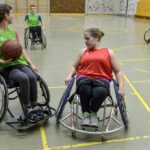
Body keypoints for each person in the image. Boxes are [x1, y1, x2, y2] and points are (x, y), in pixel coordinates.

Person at [65, 27, 125, 128]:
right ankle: (85, 114)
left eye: (87, 38)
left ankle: (92, 113)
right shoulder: (82, 52)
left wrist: (121, 88)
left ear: (96, 38)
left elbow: (118, 71)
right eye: (84, 39)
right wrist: (69, 75)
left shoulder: (108, 52)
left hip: (102, 80)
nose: (85, 41)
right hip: (84, 78)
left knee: (100, 92)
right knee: (85, 90)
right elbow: (75, 66)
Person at [0, 4, 43, 123]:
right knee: (23, 78)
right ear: (6, 15)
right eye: (11, 14)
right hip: (6, 67)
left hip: (20, 63)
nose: (13, 16)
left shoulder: (13, 31)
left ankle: (34, 106)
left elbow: (21, 50)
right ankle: (27, 108)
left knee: (32, 76)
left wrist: (31, 64)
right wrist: (2, 60)